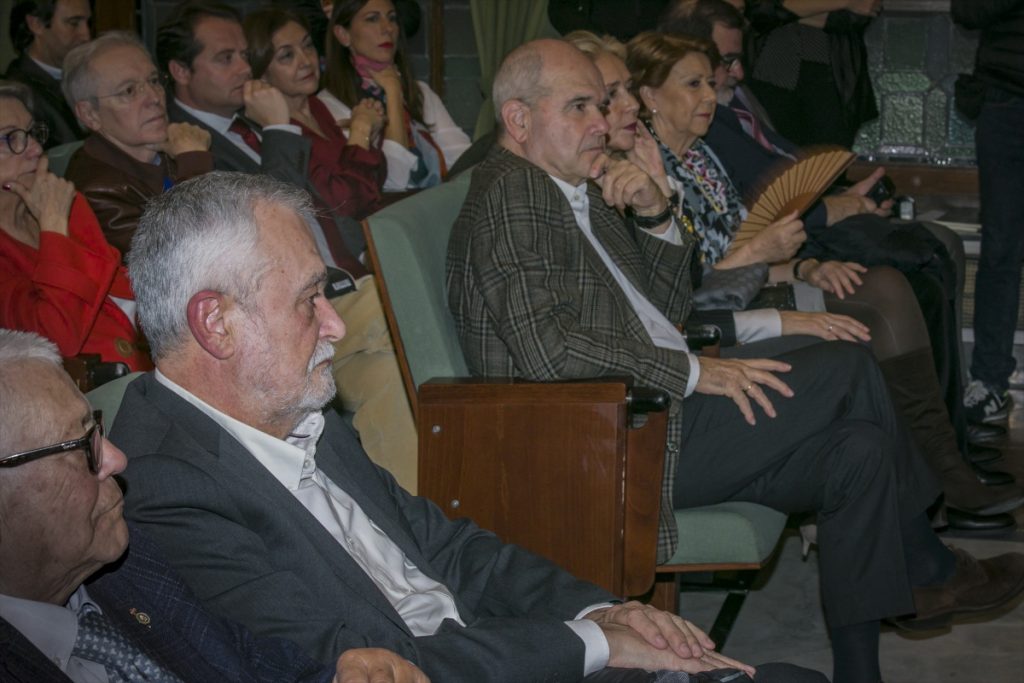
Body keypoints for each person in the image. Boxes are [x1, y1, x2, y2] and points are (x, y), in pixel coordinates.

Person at [445, 38, 1024, 683]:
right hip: (605, 441)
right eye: (580, 107)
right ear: (519, 120)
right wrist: (697, 373)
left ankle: (865, 670)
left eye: (602, 106)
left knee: (858, 449)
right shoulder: (513, 196)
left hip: (648, 412)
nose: (603, 124)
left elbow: (667, 313)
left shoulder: (575, 185)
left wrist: (657, 215)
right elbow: (548, 353)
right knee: (849, 368)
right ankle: (928, 568)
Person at [113, 170, 825, 683]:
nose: (334, 327)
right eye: (308, 302)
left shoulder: (288, 404)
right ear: (217, 323)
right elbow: (383, 667)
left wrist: (605, 609)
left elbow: (445, 545)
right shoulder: (167, 489)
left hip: (503, 649)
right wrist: (592, 644)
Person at [621, 30, 1022, 525]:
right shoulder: (645, 176)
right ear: (649, 97)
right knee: (883, 297)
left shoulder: (701, 156)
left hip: (755, 284)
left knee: (876, 282)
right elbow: (688, 281)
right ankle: (938, 477)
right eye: (693, 84)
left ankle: (941, 465)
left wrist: (807, 265)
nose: (710, 95)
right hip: (716, 315)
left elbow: (742, 250)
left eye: (710, 80)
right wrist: (764, 253)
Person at [0, 328, 429, 683]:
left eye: (96, 428)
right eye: (81, 448)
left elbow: (246, 660)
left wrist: (338, 676)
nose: (115, 458)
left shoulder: (126, 565)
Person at [157, 0, 416, 490]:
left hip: (335, 285)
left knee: (392, 376)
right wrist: (278, 127)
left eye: (242, 55)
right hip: (288, 309)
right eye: (225, 58)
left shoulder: (246, 123)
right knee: (407, 313)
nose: (243, 68)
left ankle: (408, 517)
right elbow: (261, 231)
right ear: (180, 71)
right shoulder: (184, 145)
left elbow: (330, 207)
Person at [0, 80, 151, 373]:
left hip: (146, 351)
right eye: (9, 138)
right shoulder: (56, 209)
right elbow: (59, 339)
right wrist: (53, 228)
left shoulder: (65, 202)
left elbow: (120, 286)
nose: (34, 149)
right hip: (96, 389)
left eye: (32, 133)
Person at [62, 31, 214, 258]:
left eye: (154, 81)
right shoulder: (95, 192)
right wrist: (194, 162)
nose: (154, 97)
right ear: (90, 114)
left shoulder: (169, 147)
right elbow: (178, 258)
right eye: (129, 91)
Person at [952, 0, 1024, 425]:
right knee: (1000, 248)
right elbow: (966, 10)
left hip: (1003, 104)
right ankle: (990, 382)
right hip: (1005, 100)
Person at [244, 7, 387, 221]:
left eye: (308, 45)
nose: (306, 61)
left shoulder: (319, 106)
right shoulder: (275, 132)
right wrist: (360, 132)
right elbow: (340, 205)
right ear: (261, 72)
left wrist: (368, 136)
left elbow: (374, 182)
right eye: (287, 55)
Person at [320, 0, 470, 191]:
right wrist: (393, 94)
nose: (387, 28)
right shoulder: (328, 105)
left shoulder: (420, 92)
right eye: (372, 19)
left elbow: (462, 159)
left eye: (392, 18)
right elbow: (394, 182)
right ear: (343, 35)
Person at [739, 0, 880, 148]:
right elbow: (757, 11)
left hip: (833, 81)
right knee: (772, 162)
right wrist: (844, 2)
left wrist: (783, 11)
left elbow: (858, 15)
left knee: (827, 163)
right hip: (769, 73)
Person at [4, 0, 89, 148]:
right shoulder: (18, 94)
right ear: (36, 24)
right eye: (74, 23)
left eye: (88, 23)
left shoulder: (88, 76)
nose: (86, 35)